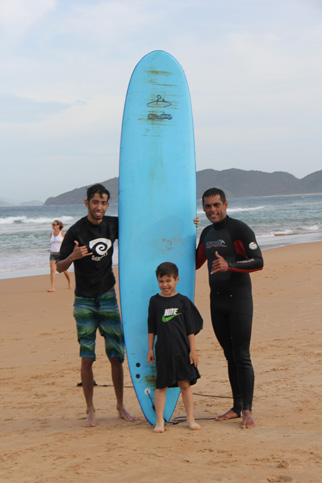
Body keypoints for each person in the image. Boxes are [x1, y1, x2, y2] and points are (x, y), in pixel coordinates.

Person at [56, 183, 135, 427]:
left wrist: (190, 222)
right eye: (95, 202)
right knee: (87, 357)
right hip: (84, 300)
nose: (99, 207)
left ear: (107, 204)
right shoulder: (76, 230)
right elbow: (60, 266)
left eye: (103, 202)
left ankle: (120, 405)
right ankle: (90, 409)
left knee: (116, 356)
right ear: (87, 203)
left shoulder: (113, 224)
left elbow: (142, 223)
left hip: (108, 296)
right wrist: (72, 257)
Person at [196, 187, 263, 429]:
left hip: (239, 301)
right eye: (207, 206)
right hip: (218, 302)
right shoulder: (206, 233)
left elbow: (258, 262)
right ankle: (236, 406)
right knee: (229, 355)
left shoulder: (239, 229)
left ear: (225, 205)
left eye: (216, 205)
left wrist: (230, 264)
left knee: (242, 355)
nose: (212, 210)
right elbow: (195, 262)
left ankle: (248, 410)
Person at [147, 262, 203, 433]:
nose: (165, 285)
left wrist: (193, 350)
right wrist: (150, 349)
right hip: (163, 351)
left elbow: (190, 329)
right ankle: (159, 421)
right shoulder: (155, 301)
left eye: (168, 280)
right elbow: (151, 328)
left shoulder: (183, 301)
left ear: (177, 279)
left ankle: (190, 419)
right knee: (161, 386)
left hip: (182, 350)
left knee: (185, 384)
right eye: (161, 281)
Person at [48, 220, 72, 292]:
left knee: (64, 270)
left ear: (58, 225)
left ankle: (69, 282)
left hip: (60, 254)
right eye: (52, 224)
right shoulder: (51, 234)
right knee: (52, 270)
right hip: (52, 254)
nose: (53, 225)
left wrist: (67, 252)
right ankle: (52, 287)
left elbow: (68, 242)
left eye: (54, 224)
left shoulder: (63, 233)